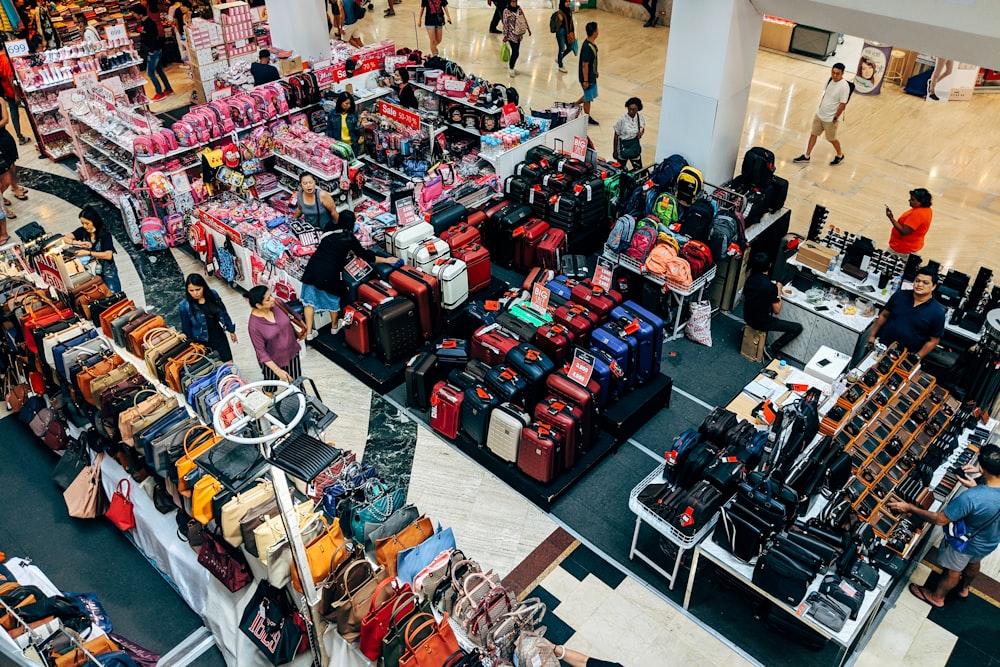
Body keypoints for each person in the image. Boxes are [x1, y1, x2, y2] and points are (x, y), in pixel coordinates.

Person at [888, 444, 1000, 609]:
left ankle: (937, 597)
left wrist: (909, 508)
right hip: (989, 541)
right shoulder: (980, 493)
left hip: (964, 543)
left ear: (982, 469)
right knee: (974, 563)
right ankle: (964, 589)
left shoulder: (971, 498)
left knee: (953, 571)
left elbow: (940, 519)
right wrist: (980, 479)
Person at [300, 211, 399, 338]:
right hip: (330, 272)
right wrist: (386, 260)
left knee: (309, 301)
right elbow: (366, 255)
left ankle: (309, 333)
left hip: (313, 268)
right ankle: (334, 327)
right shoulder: (349, 238)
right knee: (332, 300)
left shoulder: (329, 227)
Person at [867, 266, 945, 359]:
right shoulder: (900, 295)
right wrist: (872, 335)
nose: (919, 284)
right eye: (917, 281)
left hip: (905, 356)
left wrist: (917, 357)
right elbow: (884, 315)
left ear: (934, 286)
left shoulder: (937, 312)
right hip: (882, 347)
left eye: (925, 283)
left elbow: (933, 341)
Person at [743, 252, 803, 360]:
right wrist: (778, 290)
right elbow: (777, 310)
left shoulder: (750, 279)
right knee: (797, 328)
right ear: (770, 265)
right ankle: (772, 349)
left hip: (747, 316)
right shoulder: (771, 287)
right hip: (761, 322)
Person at [793, 63, 849, 166]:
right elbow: (826, 94)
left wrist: (835, 118)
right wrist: (820, 106)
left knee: (831, 138)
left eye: (837, 73)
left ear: (842, 73)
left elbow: (842, 105)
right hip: (820, 115)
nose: (834, 75)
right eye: (833, 72)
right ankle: (807, 156)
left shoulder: (844, 86)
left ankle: (840, 155)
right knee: (813, 134)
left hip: (831, 119)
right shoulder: (829, 80)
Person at [247, 285, 303, 384]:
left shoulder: (278, 303)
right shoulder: (254, 326)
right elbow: (261, 352)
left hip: (292, 352)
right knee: (271, 386)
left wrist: (303, 328)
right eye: (268, 299)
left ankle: (300, 397)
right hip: (273, 361)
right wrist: (278, 371)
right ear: (258, 305)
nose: (273, 299)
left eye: (271, 295)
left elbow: (293, 315)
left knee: (297, 381)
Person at [179, 273, 238, 362]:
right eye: (191, 290)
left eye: (198, 289)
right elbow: (186, 328)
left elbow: (223, 312)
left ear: (203, 287)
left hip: (218, 335)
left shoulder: (213, 295)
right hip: (201, 341)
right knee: (213, 366)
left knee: (228, 362)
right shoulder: (184, 306)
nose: (195, 293)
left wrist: (231, 330)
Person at [62, 205, 121, 293]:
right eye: (83, 223)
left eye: (87, 223)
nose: (85, 226)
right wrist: (78, 243)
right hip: (91, 271)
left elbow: (108, 255)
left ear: (94, 221)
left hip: (107, 271)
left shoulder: (105, 235)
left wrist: (87, 253)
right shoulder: (82, 231)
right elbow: (64, 238)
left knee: (113, 293)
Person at [132, 3, 173, 101]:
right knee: (159, 70)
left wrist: (151, 50)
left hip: (153, 51)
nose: (133, 15)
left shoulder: (149, 22)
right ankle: (168, 89)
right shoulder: (145, 22)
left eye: (134, 13)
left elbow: (154, 37)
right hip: (155, 49)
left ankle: (159, 92)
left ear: (140, 14)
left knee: (150, 73)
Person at [0, 98, 27, 218]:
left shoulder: (0, 99)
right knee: (3, 178)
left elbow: (5, 119)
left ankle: (14, 187)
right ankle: (1, 204)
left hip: (4, 138)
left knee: (11, 165)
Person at [885, 188, 933, 256]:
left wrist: (891, 218)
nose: (909, 200)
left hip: (902, 249)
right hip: (906, 247)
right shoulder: (927, 209)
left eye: (913, 199)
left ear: (921, 202)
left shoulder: (918, 214)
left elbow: (904, 232)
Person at [325, 92, 364, 156]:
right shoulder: (332, 114)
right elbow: (329, 129)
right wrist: (332, 143)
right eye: (346, 103)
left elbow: (356, 130)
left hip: (352, 145)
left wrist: (359, 121)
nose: (348, 105)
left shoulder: (353, 113)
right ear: (340, 103)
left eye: (350, 103)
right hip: (339, 146)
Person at [576, 22, 600, 126]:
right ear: (594, 32)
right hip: (587, 77)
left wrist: (595, 71)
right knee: (588, 98)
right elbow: (585, 65)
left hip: (591, 74)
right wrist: (585, 80)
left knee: (588, 95)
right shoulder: (587, 47)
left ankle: (575, 104)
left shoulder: (591, 44)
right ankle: (587, 117)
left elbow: (592, 61)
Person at [613, 97, 645, 171]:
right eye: (629, 109)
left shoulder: (640, 117)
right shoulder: (622, 120)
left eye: (634, 109)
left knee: (639, 169)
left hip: (634, 146)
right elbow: (616, 135)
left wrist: (641, 134)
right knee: (621, 170)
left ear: (638, 109)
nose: (631, 111)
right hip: (623, 147)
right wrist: (615, 151)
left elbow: (642, 128)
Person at [501, 0, 530, 78]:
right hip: (511, 35)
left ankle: (512, 66)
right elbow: (505, 24)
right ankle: (511, 68)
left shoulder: (518, 9)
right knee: (515, 52)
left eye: (515, 1)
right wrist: (505, 36)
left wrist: (528, 29)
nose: (514, 3)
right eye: (513, 2)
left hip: (519, 34)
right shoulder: (506, 11)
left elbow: (523, 19)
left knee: (516, 52)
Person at [552, 0, 575, 74]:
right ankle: (560, 65)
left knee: (570, 47)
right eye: (566, 2)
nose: (568, 3)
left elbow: (571, 22)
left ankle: (559, 59)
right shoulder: (560, 12)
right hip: (560, 32)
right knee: (562, 48)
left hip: (568, 32)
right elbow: (556, 24)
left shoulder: (569, 11)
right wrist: (559, 20)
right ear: (563, 3)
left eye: (569, 1)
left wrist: (572, 32)